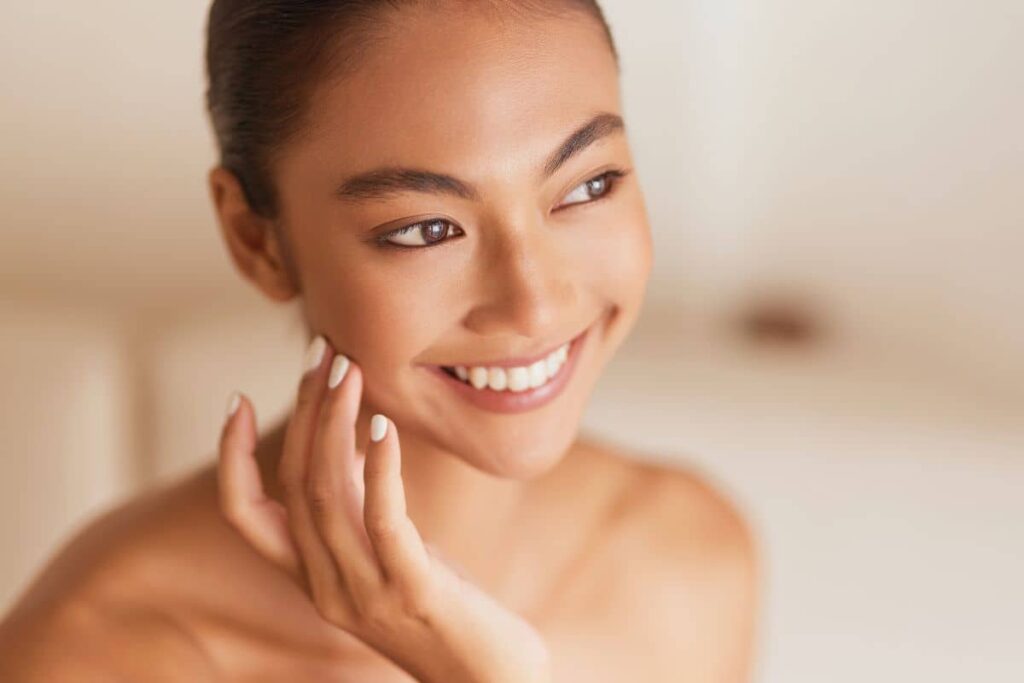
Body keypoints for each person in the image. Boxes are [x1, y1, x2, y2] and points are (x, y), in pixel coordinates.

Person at [0, 1, 758, 680]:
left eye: (590, 185)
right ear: (256, 241)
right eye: (426, 229)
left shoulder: (687, 558)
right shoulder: (92, 653)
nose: (533, 304)